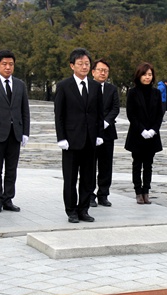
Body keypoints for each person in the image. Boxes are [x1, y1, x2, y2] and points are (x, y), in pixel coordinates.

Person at [54, 48, 104, 223]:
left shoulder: (96, 86)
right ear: (72, 66)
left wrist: (99, 134)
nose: (84, 66)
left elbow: (98, 113)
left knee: (88, 177)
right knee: (70, 178)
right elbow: (59, 114)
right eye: (80, 63)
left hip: (90, 139)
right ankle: (71, 210)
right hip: (71, 140)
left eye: (87, 63)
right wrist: (61, 137)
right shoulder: (63, 86)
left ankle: (84, 209)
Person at [0, 50, 30, 214]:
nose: (8, 67)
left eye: (11, 64)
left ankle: (8, 198)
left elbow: (25, 110)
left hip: (15, 132)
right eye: (4, 64)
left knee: (11, 169)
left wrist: (25, 132)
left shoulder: (20, 84)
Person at [125, 62, 164, 204]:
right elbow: (131, 114)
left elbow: (160, 113)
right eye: (144, 74)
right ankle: (138, 191)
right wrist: (141, 130)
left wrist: (154, 129)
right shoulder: (133, 93)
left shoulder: (156, 93)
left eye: (149, 74)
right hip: (137, 134)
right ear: (139, 75)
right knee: (137, 164)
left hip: (152, 135)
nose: (147, 77)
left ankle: (146, 191)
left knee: (148, 164)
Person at [89, 58, 120, 208]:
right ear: (93, 71)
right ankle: (89, 194)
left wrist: (106, 122)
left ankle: (103, 194)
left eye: (106, 71)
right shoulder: (87, 86)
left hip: (108, 132)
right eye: (100, 70)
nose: (103, 73)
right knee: (89, 165)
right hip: (90, 132)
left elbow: (115, 108)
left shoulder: (112, 89)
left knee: (106, 166)